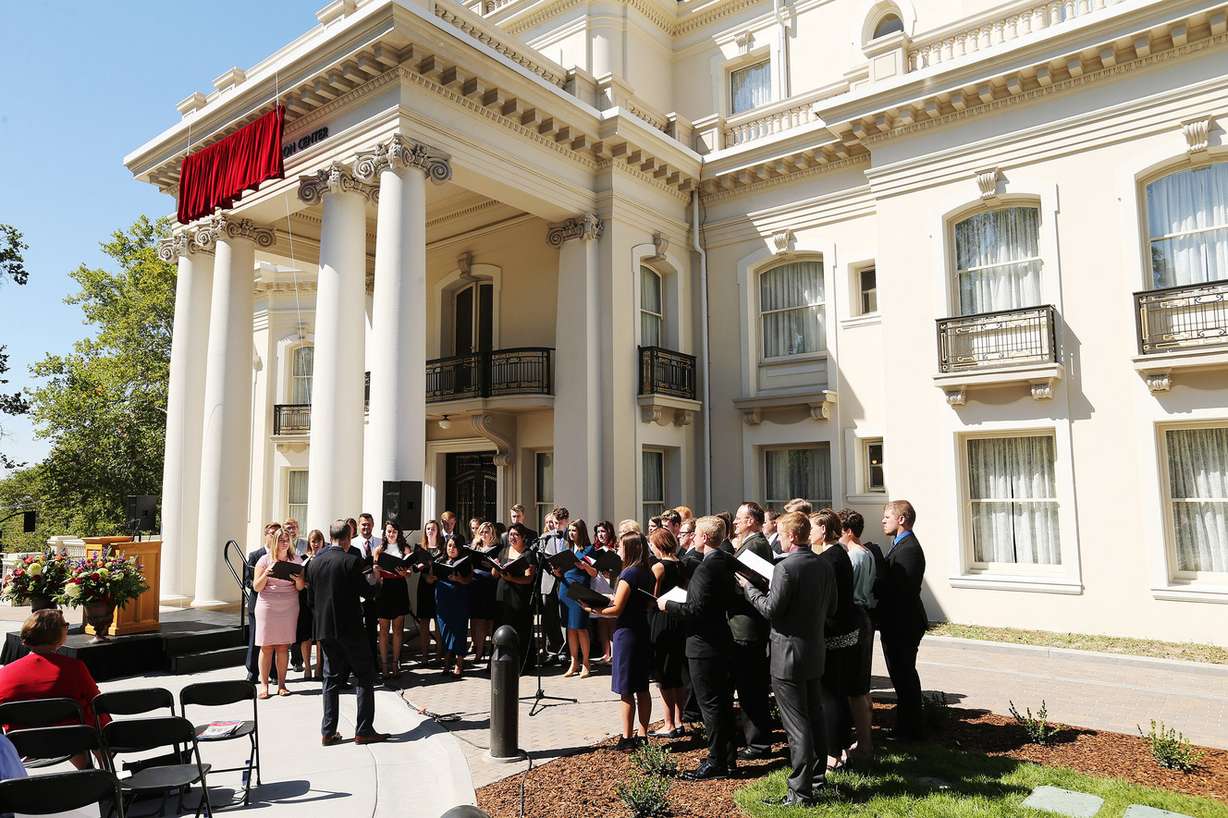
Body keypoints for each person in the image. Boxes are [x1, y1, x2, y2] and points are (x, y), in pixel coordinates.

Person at [738, 512, 836, 807]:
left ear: (792, 536)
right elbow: (831, 608)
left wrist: (749, 589)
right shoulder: (823, 564)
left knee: (797, 724)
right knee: (814, 716)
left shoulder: (786, 568)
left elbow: (771, 609)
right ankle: (817, 778)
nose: (778, 538)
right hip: (814, 650)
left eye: (781, 533)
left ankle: (800, 791)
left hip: (787, 654)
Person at [660, 516, 738, 780]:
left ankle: (717, 761)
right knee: (722, 703)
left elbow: (696, 609)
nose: (691, 538)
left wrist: (667, 605)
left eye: (695, 535)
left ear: (704, 538)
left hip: (704, 645)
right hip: (720, 639)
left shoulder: (707, 568)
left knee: (711, 705)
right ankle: (727, 758)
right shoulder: (724, 560)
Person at [307, 519, 388, 746]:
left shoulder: (314, 563)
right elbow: (368, 592)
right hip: (350, 628)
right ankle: (364, 730)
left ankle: (328, 731)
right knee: (364, 676)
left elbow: (311, 600)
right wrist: (377, 579)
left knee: (330, 679)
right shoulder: (351, 561)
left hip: (325, 629)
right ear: (348, 537)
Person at [0, 609, 107, 768]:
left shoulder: (4, 674)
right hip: (72, 739)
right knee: (92, 710)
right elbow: (96, 700)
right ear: (59, 636)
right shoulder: (74, 668)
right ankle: (103, 766)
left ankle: (87, 767)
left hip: (24, 744)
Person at [583, 532, 655, 750]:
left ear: (630, 549)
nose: (617, 550)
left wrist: (592, 608)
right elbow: (645, 602)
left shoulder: (629, 573)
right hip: (642, 629)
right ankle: (643, 734)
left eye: (621, 547)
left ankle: (626, 737)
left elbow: (616, 609)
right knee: (642, 686)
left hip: (626, 633)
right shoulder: (647, 572)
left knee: (626, 688)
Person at [809, 509, 860, 769]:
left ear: (825, 531)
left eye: (813, 528)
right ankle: (840, 746)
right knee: (836, 692)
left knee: (830, 694)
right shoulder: (838, 553)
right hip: (843, 629)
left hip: (833, 632)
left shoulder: (830, 558)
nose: (810, 533)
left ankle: (832, 752)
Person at [728, 501, 775, 760]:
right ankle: (754, 738)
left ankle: (758, 743)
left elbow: (751, 584)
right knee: (748, 686)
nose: (735, 523)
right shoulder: (751, 543)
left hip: (748, 627)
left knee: (751, 687)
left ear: (751, 521)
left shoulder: (755, 545)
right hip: (744, 624)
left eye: (739, 518)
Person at [878, 500, 927, 740]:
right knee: (900, 676)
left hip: (903, 624)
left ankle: (910, 730)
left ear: (902, 519)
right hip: (896, 623)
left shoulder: (908, 549)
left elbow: (902, 590)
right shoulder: (898, 545)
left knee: (904, 675)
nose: (883, 520)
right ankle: (906, 726)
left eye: (888, 516)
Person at [839, 508, 877, 762]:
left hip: (855, 614)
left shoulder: (854, 556)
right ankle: (864, 742)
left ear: (849, 531)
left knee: (855, 685)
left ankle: (864, 744)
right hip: (865, 616)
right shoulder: (869, 553)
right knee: (860, 685)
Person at [253, 525, 306, 699]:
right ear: (275, 541)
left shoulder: (297, 559)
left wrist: (299, 579)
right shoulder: (264, 560)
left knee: (283, 646)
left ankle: (282, 685)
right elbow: (256, 587)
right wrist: (266, 574)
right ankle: (264, 685)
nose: (284, 543)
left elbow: (299, 588)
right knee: (266, 646)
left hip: (288, 605)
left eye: (287, 540)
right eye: (281, 540)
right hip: (267, 604)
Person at [647, 528, 686, 738]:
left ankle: (669, 723)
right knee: (677, 673)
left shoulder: (659, 567)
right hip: (678, 619)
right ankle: (680, 720)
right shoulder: (682, 564)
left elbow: (651, 597)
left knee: (663, 674)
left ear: (659, 545)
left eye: (652, 543)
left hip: (662, 620)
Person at [554, 519, 597, 678]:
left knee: (580, 626)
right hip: (565, 588)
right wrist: (557, 573)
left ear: (581, 531)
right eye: (570, 530)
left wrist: (584, 566)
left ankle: (586, 662)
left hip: (579, 590)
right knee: (570, 628)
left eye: (574, 530)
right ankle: (574, 662)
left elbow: (594, 573)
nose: (571, 533)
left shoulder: (589, 549)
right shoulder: (568, 548)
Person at [493, 522, 538, 672]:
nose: (512, 537)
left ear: (523, 537)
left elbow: (529, 578)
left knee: (519, 628)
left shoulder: (528, 554)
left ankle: (522, 663)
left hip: (519, 596)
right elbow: (494, 574)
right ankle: (501, 661)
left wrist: (512, 579)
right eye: (510, 534)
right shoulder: (503, 551)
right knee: (501, 626)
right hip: (502, 595)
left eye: (516, 535)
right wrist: (496, 566)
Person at [373, 520, 412, 680]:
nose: (391, 534)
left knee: (397, 629)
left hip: (399, 588)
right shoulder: (379, 549)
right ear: (385, 533)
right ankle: (384, 665)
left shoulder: (405, 548)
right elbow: (375, 576)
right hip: (384, 589)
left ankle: (395, 663)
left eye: (394, 531)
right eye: (389, 531)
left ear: (398, 533)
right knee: (383, 630)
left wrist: (405, 573)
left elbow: (409, 573)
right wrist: (377, 570)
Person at [429, 536, 473, 678]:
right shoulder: (440, 561)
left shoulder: (465, 562)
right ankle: (447, 659)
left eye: (454, 546)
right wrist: (432, 577)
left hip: (459, 599)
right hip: (443, 600)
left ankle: (458, 664)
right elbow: (429, 579)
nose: (451, 549)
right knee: (445, 630)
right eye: (449, 546)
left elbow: (469, 580)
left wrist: (458, 579)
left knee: (459, 630)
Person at [244, 522, 281, 684]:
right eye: (271, 533)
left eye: (276, 533)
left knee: (273, 640)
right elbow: (247, 580)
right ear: (265, 534)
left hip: (276, 604)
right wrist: (262, 581)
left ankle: (273, 672)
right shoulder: (255, 555)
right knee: (255, 639)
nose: (273, 536)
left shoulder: (281, 555)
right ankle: (252, 672)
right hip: (258, 602)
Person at [535, 506, 570, 665]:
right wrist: (551, 569)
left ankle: (565, 650)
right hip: (548, 580)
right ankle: (551, 650)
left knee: (564, 616)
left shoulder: (572, 536)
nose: (556, 526)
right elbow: (540, 558)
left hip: (565, 580)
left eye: (560, 523)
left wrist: (562, 570)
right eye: (555, 523)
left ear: (566, 522)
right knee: (549, 617)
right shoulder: (545, 537)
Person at [406, 522, 441, 670]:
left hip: (439, 585)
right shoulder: (420, 548)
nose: (430, 531)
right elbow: (413, 568)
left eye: (433, 529)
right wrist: (419, 568)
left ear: (437, 531)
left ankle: (440, 655)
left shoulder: (443, 547)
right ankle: (425, 656)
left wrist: (436, 576)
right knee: (424, 622)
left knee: (439, 622)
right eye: (428, 529)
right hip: (424, 586)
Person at [468, 522, 500, 662]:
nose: (484, 535)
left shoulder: (497, 548)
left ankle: (492, 652)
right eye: (481, 532)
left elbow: (497, 573)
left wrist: (492, 564)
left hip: (490, 586)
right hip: (476, 587)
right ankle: (479, 652)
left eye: (486, 532)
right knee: (479, 620)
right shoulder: (475, 547)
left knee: (491, 621)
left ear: (492, 534)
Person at [297, 529, 327, 680]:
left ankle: (319, 668)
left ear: (323, 542)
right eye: (313, 541)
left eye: (318, 541)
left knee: (320, 636)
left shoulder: (326, 558)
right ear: (309, 542)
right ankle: (307, 667)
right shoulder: (303, 558)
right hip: (305, 601)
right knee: (306, 636)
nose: (315, 544)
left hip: (321, 601)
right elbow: (298, 581)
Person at [590, 520, 618, 663]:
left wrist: (610, 572)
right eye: (598, 532)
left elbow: (619, 568)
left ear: (609, 532)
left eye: (603, 531)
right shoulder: (594, 549)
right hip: (598, 584)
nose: (600, 534)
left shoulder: (616, 548)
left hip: (611, 585)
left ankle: (614, 653)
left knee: (611, 619)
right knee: (601, 620)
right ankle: (606, 653)